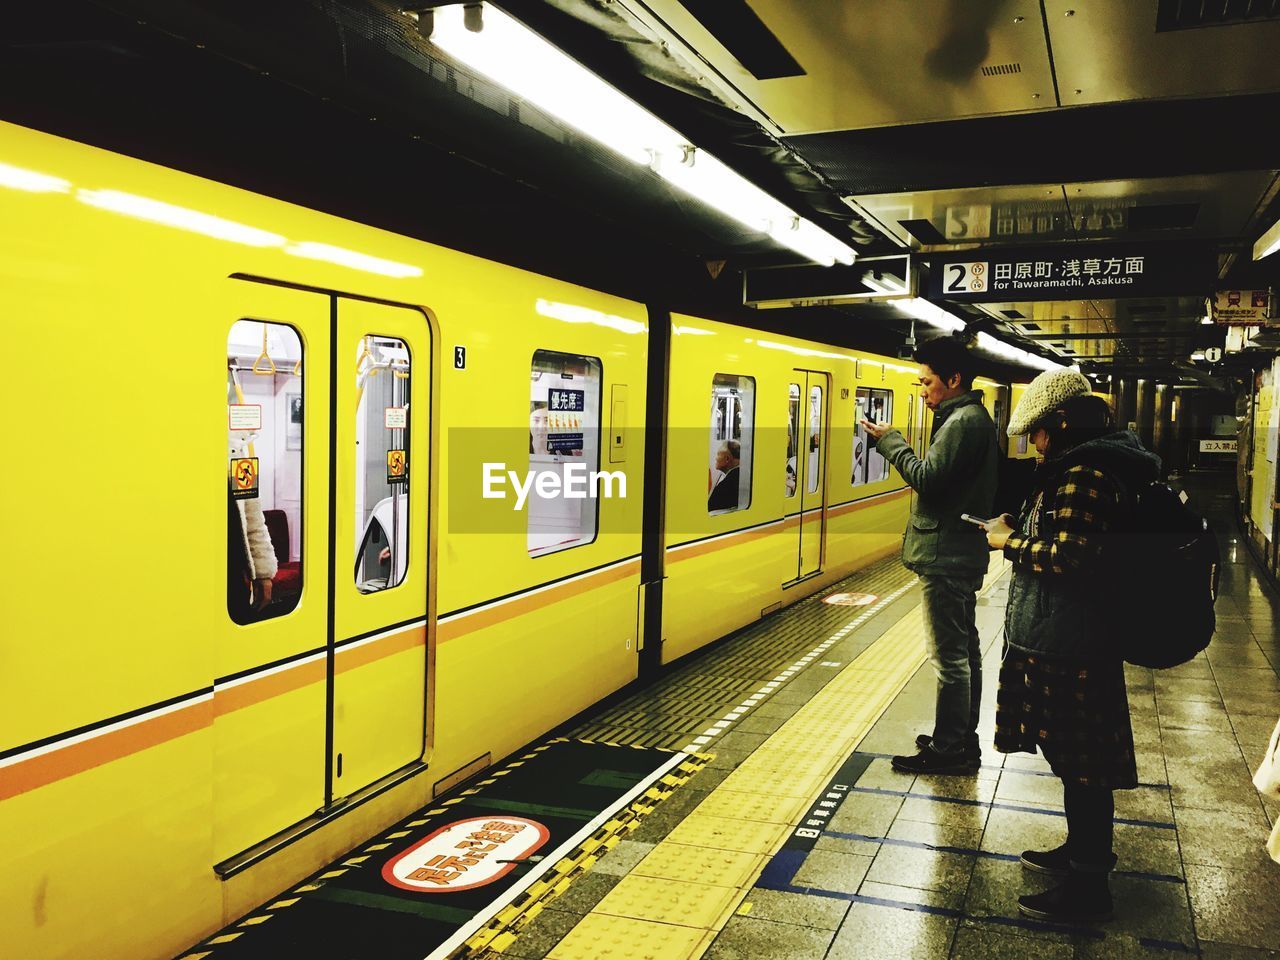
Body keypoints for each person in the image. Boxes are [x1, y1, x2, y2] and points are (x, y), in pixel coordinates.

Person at [982, 370, 1159, 922]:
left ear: (1060, 424)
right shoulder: (1081, 468)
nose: (1033, 443)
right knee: (1072, 760)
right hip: (1064, 637)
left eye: (1037, 432)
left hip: (1071, 645)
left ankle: (1088, 889)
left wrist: (1009, 541)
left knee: (1083, 767)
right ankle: (1083, 854)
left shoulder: (1084, 474)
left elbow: (1071, 556)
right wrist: (1023, 526)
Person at [862, 335, 998, 774]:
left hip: (946, 555)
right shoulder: (970, 418)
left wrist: (892, 442)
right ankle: (959, 737)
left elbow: (928, 478)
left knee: (950, 658)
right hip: (957, 551)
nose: (922, 391)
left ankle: (950, 748)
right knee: (965, 652)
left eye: (927, 382)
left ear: (953, 379)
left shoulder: (963, 423)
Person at [708, 440, 741, 511]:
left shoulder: (728, 484)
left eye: (718, 454)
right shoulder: (740, 476)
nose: (716, 458)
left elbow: (710, 508)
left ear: (727, 459)